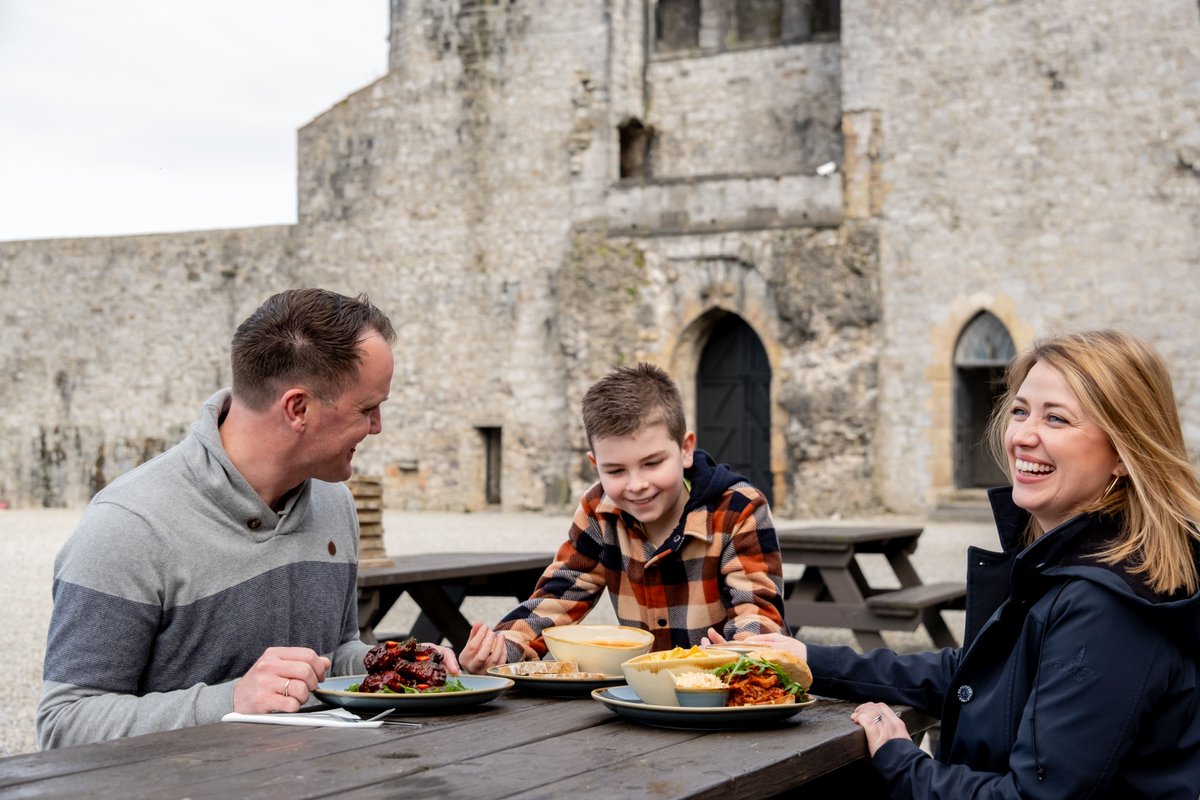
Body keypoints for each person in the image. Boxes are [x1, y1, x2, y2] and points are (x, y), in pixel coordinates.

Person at [709, 329, 1200, 798]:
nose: (1022, 436)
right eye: (1021, 411)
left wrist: (902, 759)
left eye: (1057, 419)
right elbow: (978, 677)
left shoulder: (1107, 604)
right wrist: (806, 658)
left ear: (1123, 452)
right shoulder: (1071, 562)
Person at [37, 288, 459, 749]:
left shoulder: (334, 501)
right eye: (367, 409)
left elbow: (332, 657)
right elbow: (64, 725)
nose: (377, 426)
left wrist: (401, 663)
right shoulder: (128, 526)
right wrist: (231, 701)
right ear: (298, 408)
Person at [458, 361, 787, 673]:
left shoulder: (739, 508)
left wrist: (739, 655)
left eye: (653, 463)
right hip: (639, 695)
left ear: (685, 449)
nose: (637, 485)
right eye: (615, 470)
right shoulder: (598, 510)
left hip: (725, 695)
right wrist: (502, 649)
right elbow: (558, 596)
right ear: (594, 464)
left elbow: (756, 615)